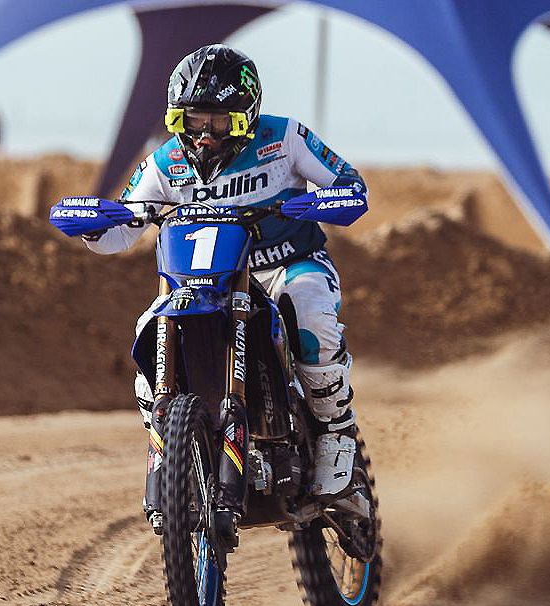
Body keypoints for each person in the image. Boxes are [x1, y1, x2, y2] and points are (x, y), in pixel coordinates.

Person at [81, 44, 365, 533]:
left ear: (247, 116)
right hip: (203, 282)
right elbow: (123, 228)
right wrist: (94, 226)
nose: (205, 133)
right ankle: (168, 447)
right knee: (149, 328)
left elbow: (349, 183)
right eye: (193, 120)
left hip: (287, 266)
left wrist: (327, 201)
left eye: (219, 121)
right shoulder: (164, 162)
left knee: (311, 314)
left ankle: (335, 434)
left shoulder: (286, 138)